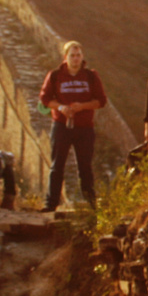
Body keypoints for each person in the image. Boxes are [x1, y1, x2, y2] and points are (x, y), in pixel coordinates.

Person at [38, 41, 107, 212]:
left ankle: (91, 203)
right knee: (57, 165)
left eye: (78, 55)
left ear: (82, 57)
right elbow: (45, 99)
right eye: (72, 55)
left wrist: (82, 106)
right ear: (65, 57)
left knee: (85, 166)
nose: (75, 59)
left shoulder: (91, 76)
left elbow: (101, 101)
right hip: (61, 125)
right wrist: (61, 107)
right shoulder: (55, 76)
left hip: (84, 127)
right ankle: (51, 203)